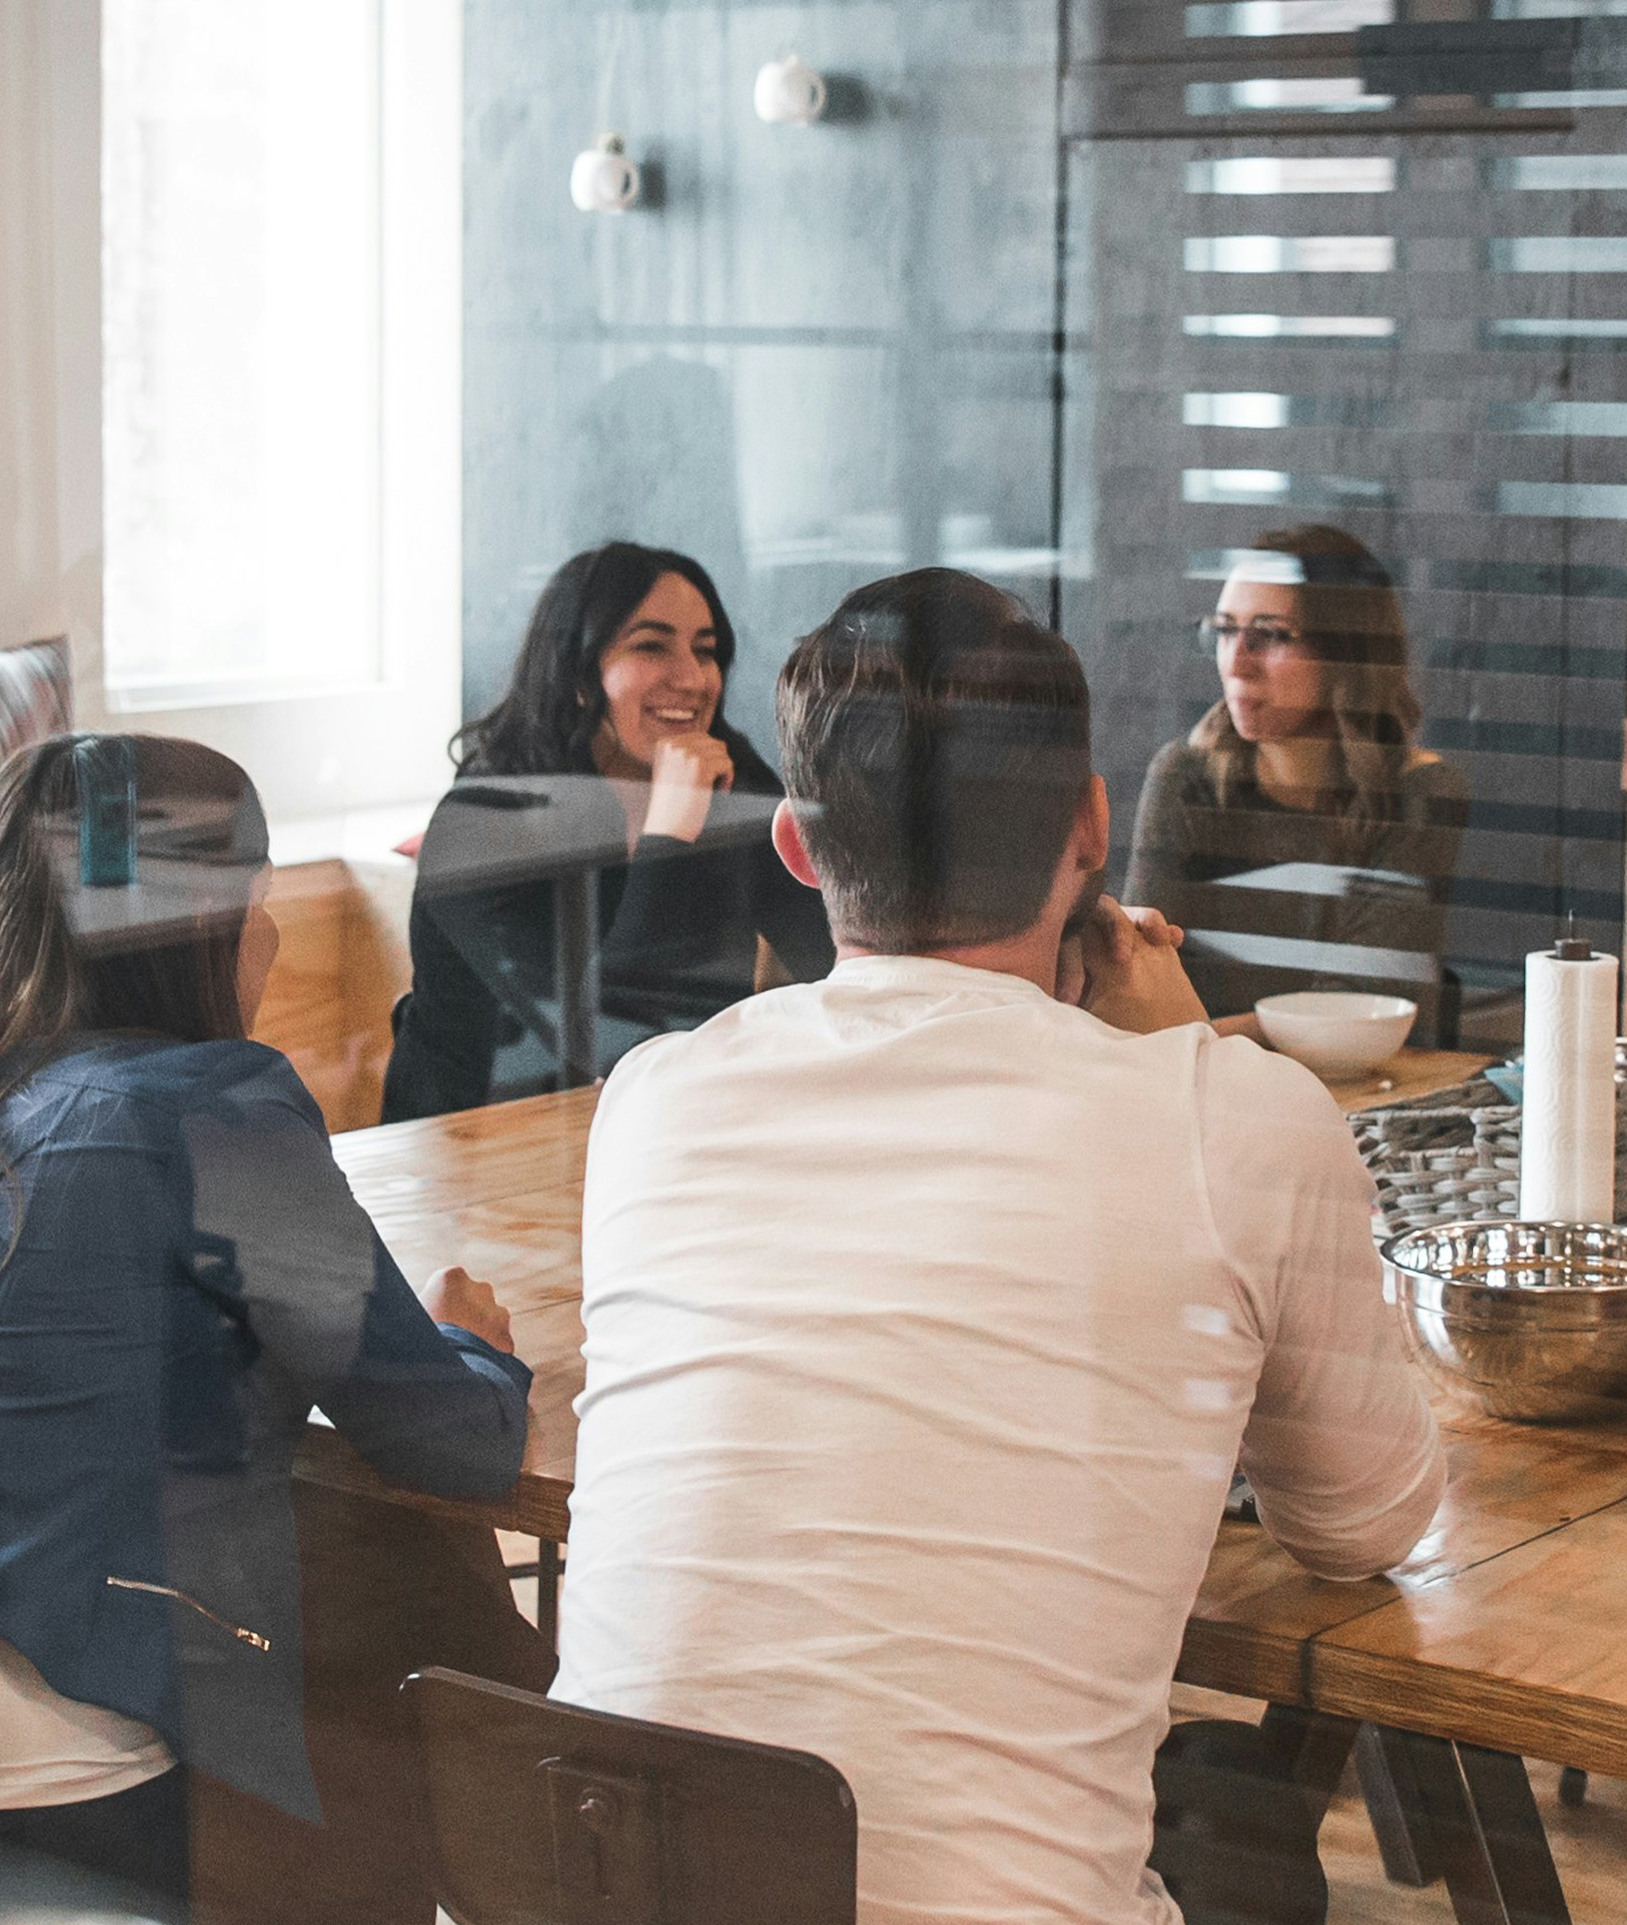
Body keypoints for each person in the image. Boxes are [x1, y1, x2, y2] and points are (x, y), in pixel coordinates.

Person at [555, 567, 1448, 1925]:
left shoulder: (654, 1102)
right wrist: (1182, 1055)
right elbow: (1362, 1523)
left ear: (796, 845)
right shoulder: (1237, 1119)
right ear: (1093, 829)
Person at [0, 733, 537, 1914]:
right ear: (204, 922)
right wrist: (474, 1342)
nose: (268, 938)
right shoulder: (211, 1112)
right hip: (38, 1785)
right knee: (405, 1620)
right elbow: (450, 1442)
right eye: (260, 904)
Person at [383, 542, 837, 1121]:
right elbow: (605, 1044)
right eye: (650, 647)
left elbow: (836, 954)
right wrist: (671, 832)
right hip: (478, 1147)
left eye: (707, 651)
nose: (694, 679)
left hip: (667, 1126)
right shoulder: (482, 823)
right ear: (576, 675)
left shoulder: (732, 779)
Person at [1122, 525, 1473, 1020]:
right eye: (1224, 630)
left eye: (1270, 635)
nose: (1236, 663)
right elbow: (1138, 975)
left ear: (1344, 654)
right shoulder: (1186, 776)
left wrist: (1190, 1041)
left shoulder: (1421, 794)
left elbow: (1358, 1006)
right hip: (1205, 1079)